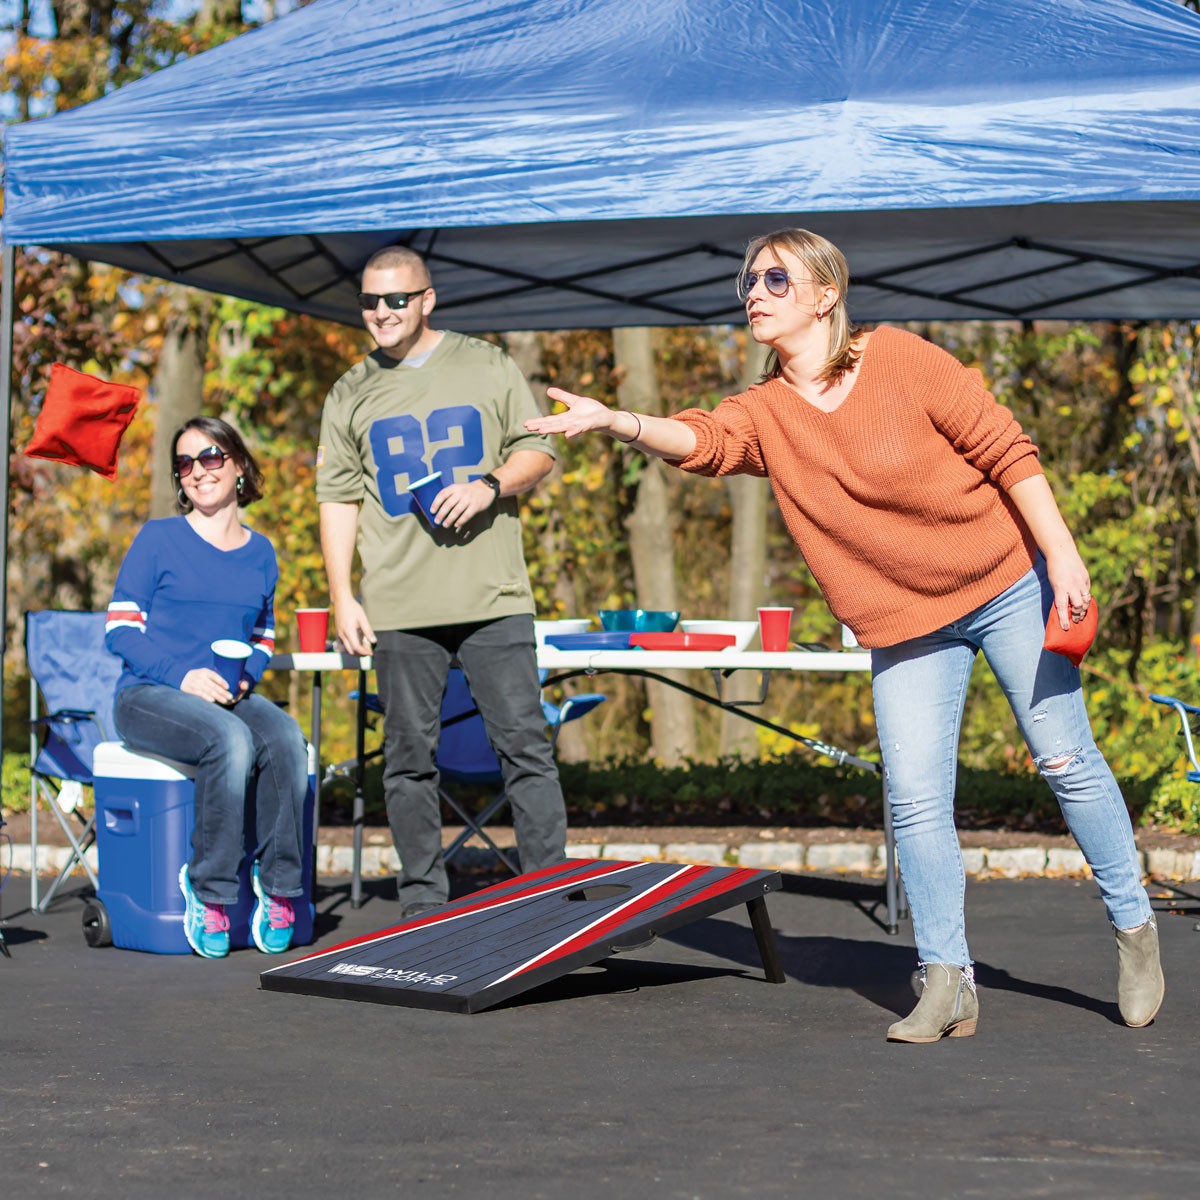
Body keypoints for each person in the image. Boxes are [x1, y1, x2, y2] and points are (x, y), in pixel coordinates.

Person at [525, 227, 1165, 1042]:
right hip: (905, 621)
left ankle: (1135, 929)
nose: (755, 292)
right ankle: (947, 981)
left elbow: (1007, 451)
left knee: (1064, 761)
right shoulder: (766, 412)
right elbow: (707, 442)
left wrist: (1063, 557)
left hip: (1003, 582)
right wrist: (621, 421)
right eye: (749, 281)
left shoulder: (901, 357)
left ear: (826, 293)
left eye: (776, 280)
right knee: (916, 800)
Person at [316, 245, 566, 918]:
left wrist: (489, 486)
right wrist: (343, 596)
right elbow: (337, 498)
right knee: (406, 763)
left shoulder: (485, 363)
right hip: (399, 606)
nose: (381, 313)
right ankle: (423, 905)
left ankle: (551, 899)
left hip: (492, 597)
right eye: (369, 301)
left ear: (429, 299)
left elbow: (539, 448)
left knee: (525, 750)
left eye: (396, 299)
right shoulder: (349, 390)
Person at [106, 416, 308, 959]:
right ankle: (211, 892)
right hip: (148, 695)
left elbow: (263, 635)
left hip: (227, 696)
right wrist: (183, 676)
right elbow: (120, 628)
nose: (198, 471)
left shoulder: (261, 552)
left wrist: (248, 676)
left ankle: (281, 888)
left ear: (239, 465)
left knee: (288, 738)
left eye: (212, 457)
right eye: (185, 462)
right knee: (230, 740)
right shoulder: (158, 538)